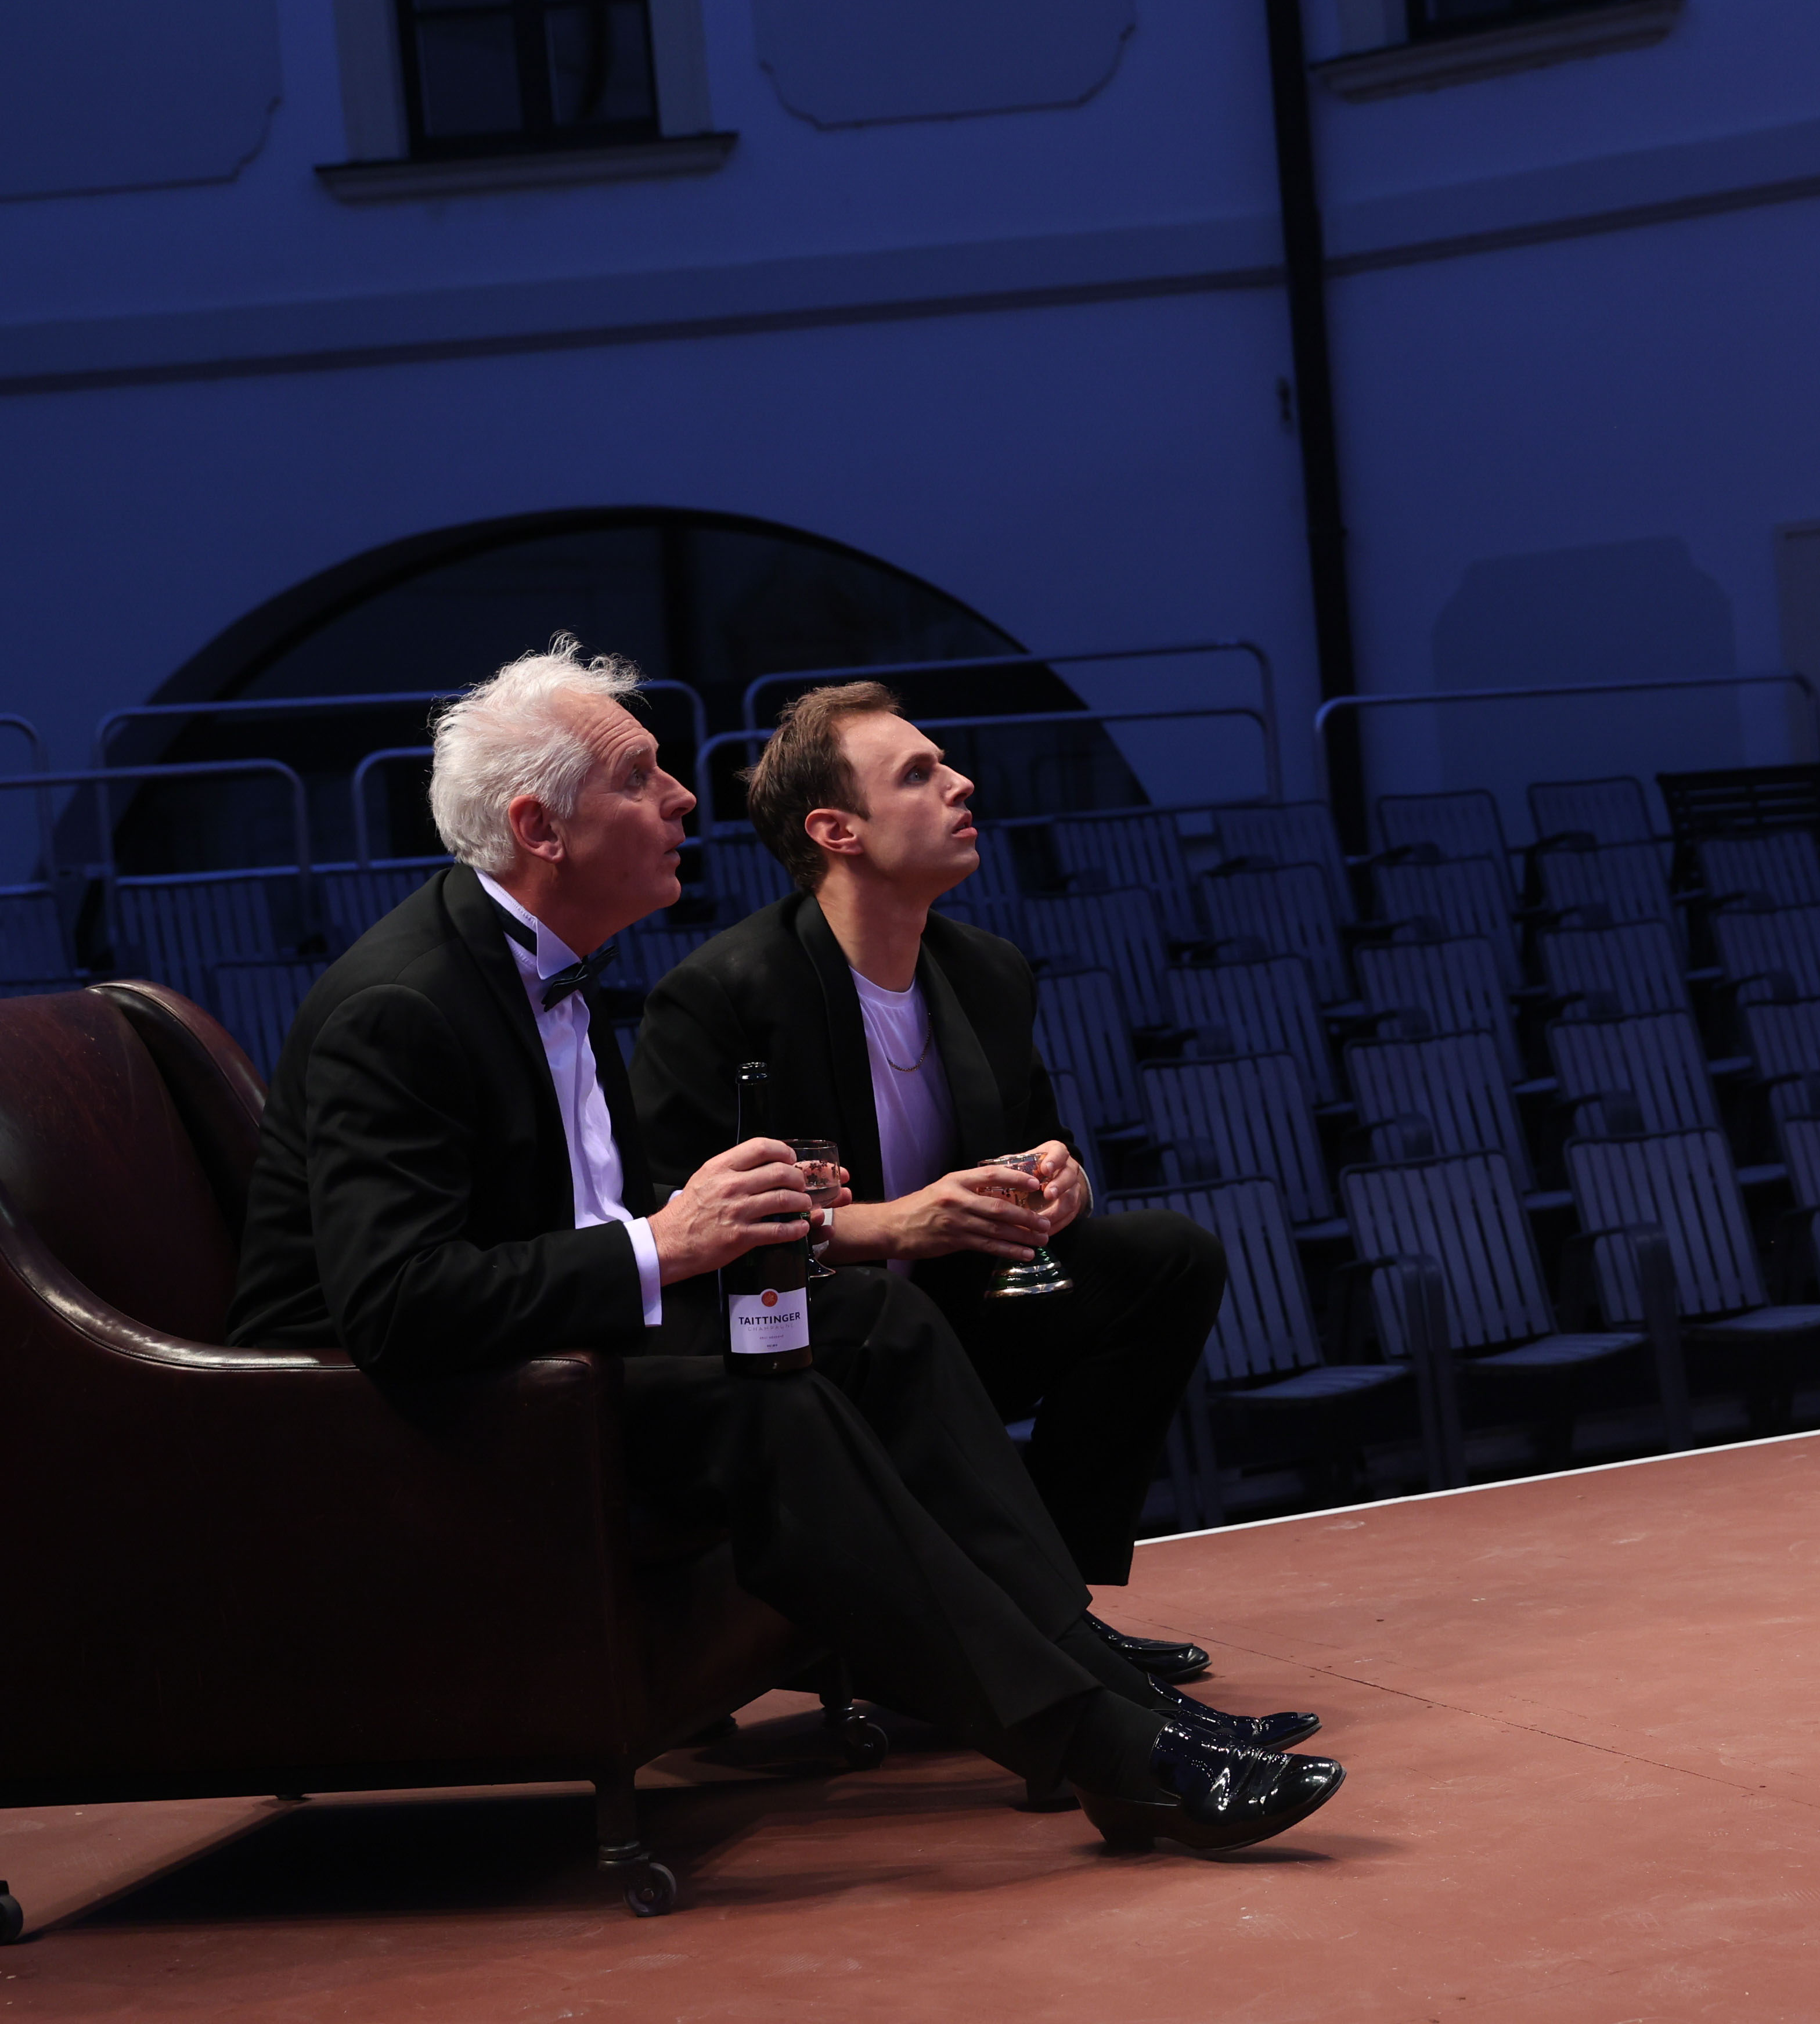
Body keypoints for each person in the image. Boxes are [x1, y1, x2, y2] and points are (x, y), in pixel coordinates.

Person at [225, 635, 1340, 1849]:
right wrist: (672, 1238)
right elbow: (397, 1305)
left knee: (870, 1319)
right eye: (641, 777)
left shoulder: (542, 969)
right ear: (542, 830)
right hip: (395, 1424)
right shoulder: (404, 1003)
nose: (683, 797)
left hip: (550, 1356)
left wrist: (752, 1215)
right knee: (778, 1397)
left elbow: (572, 1227)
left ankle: (1111, 1686)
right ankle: (1113, 1752)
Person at [634, 681, 1231, 1686]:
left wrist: (1063, 1181)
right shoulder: (724, 994)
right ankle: (1026, 1631)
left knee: (1170, 1259)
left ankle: (1053, 1605)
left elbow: (1038, 1139)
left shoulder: (987, 969)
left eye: (944, 764)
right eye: (918, 774)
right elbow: (684, 1236)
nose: (961, 784)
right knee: (883, 1313)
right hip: (805, 1346)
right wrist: (890, 1226)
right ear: (837, 831)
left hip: (955, 1317)